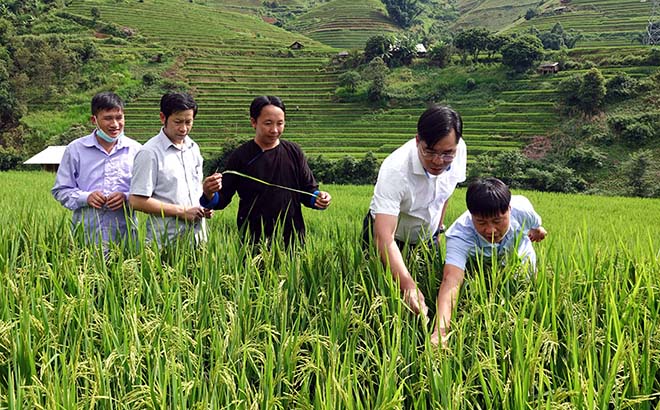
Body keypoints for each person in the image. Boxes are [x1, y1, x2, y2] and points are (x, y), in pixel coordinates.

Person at [363, 105, 467, 319]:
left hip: (428, 237)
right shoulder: (395, 170)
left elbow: (446, 192)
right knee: (383, 296)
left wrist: (438, 229)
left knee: (431, 287)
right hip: (393, 237)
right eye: (429, 152)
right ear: (417, 140)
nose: (439, 161)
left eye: (447, 154)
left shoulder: (458, 150)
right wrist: (408, 285)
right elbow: (384, 237)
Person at [431, 177, 547, 347]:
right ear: (471, 216)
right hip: (482, 260)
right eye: (481, 222)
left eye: (497, 221)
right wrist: (440, 332)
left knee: (529, 291)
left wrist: (539, 231)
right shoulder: (459, 235)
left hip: (519, 255)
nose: (490, 230)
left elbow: (537, 227)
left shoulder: (522, 209)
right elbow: (451, 281)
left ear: (509, 209)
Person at [200, 95, 331, 245]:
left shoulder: (293, 152)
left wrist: (320, 198)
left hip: (292, 237)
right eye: (268, 123)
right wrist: (209, 193)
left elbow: (308, 191)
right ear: (253, 122)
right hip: (253, 239)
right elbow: (222, 199)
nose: (274, 130)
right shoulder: (241, 156)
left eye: (280, 123)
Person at [52, 91, 141, 247]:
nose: (115, 124)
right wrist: (86, 198)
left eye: (119, 118)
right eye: (108, 118)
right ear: (94, 120)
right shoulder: (75, 149)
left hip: (126, 237)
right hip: (86, 237)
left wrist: (126, 197)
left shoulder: (137, 150)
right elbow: (60, 190)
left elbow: (146, 190)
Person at [129, 92, 211, 245]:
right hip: (164, 242)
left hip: (197, 239)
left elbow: (195, 189)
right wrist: (182, 212)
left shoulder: (193, 148)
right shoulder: (149, 153)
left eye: (189, 122)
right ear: (163, 117)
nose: (183, 128)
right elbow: (136, 200)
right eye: (178, 122)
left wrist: (202, 207)